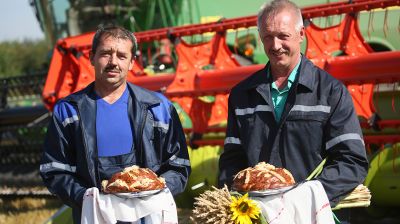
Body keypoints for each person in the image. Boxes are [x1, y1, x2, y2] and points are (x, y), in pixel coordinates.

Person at [219, 0, 368, 222]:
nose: (276, 45)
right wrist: (236, 198)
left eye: (283, 36)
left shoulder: (331, 92)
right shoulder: (242, 95)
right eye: (268, 37)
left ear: (301, 34)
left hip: (316, 214)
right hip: (258, 215)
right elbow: (232, 158)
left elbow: (352, 161)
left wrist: (304, 196)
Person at [40, 24, 191, 223]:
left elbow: (179, 165)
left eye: (121, 56)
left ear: (132, 62)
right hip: (95, 216)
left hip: (149, 216)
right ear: (91, 57)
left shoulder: (158, 108)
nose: (113, 62)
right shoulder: (68, 110)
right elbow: (54, 169)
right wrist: (85, 198)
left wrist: (156, 191)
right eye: (105, 54)